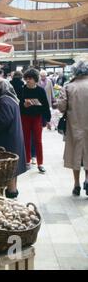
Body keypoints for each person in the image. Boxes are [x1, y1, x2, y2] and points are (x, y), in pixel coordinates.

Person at [57, 58, 88, 196]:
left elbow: (61, 107)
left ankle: (76, 184)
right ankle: (87, 180)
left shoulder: (68, 87)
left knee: (75, 154)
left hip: (74, 126)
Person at [20, 68, 51, 173]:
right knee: (26, 140)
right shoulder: (22, 89)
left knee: (38, 140)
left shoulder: (40, 90)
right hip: (25, 117)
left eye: (30, 78)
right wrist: (24, 105)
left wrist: (48, 119)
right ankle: (27, 161)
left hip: (37, 117)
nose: (28, 80)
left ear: (35, 79)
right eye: (26, 78)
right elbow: (18, 105)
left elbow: (46, 105)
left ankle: (40, 163)